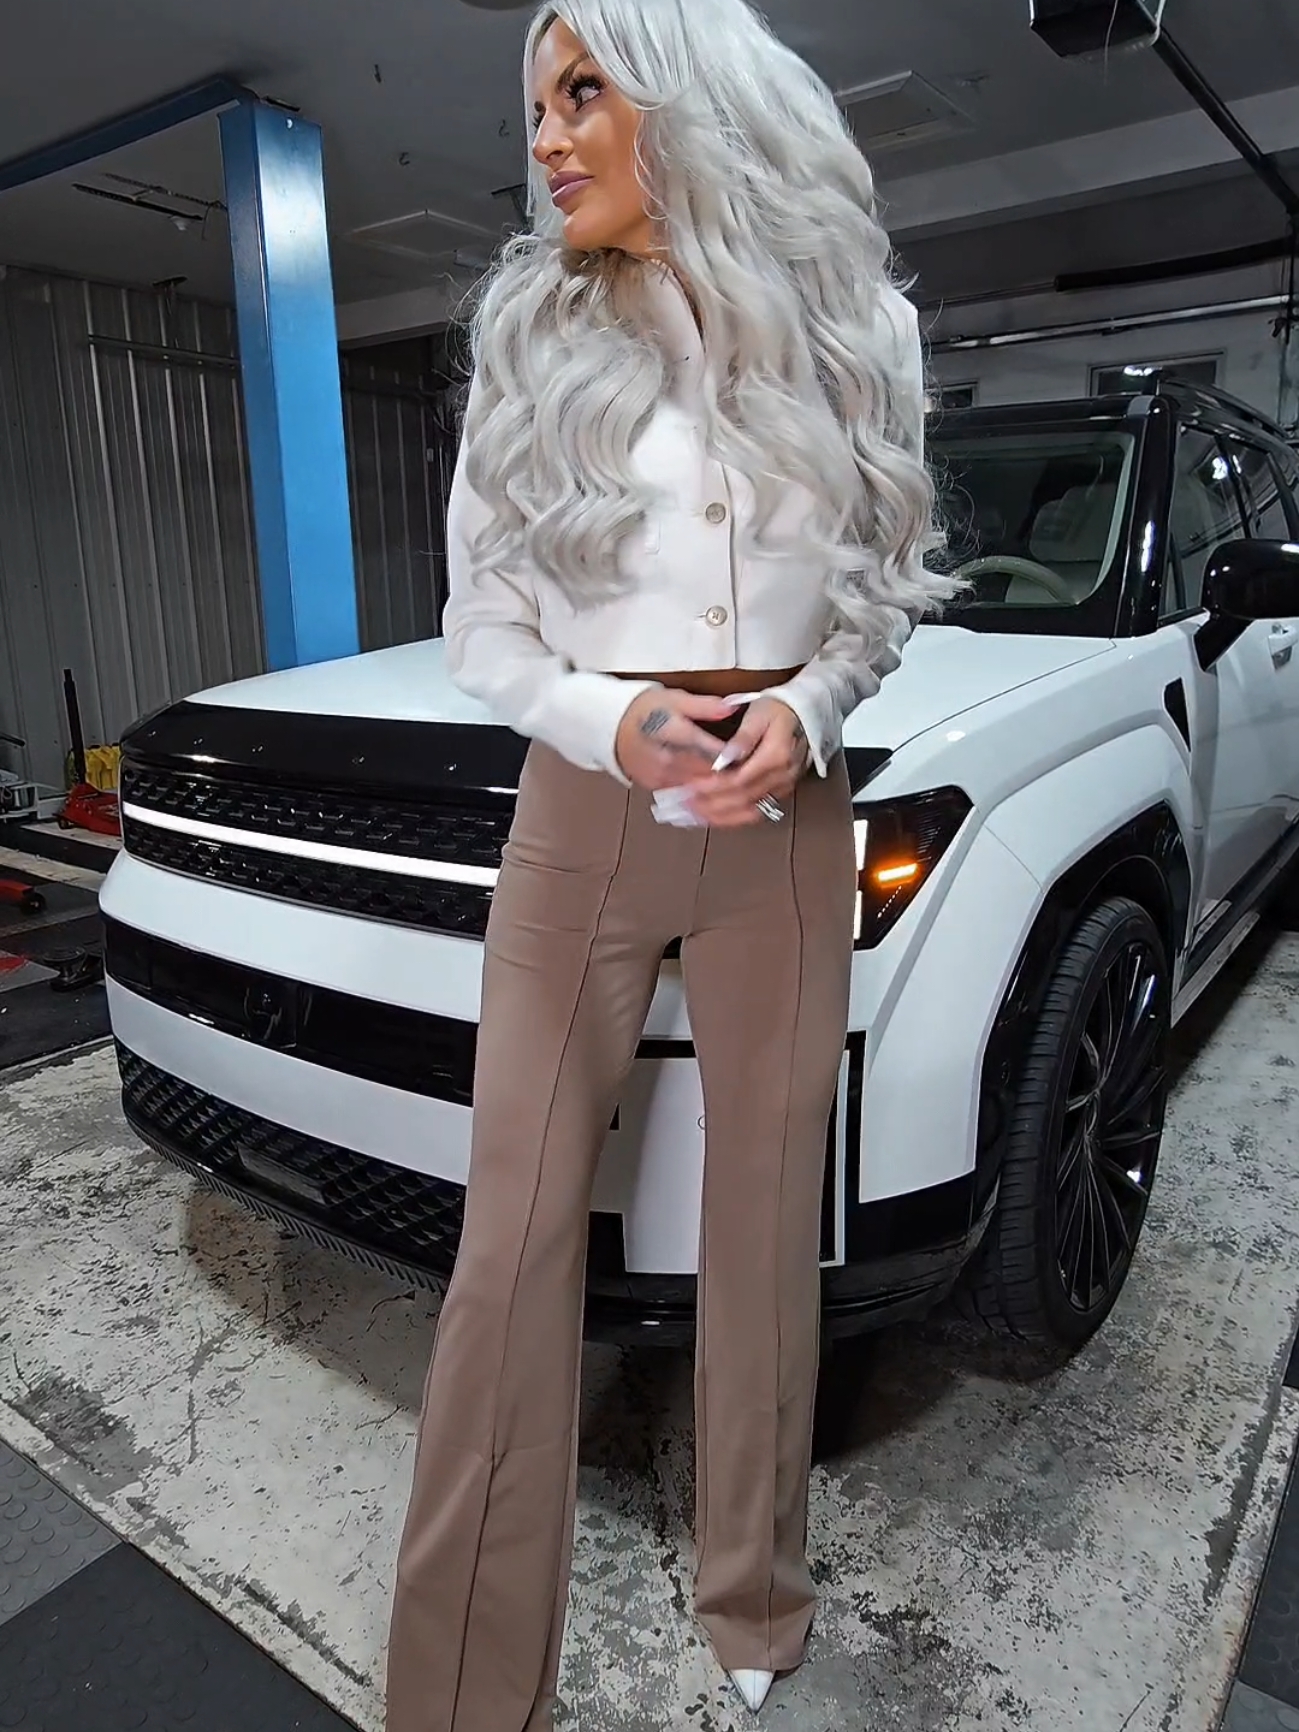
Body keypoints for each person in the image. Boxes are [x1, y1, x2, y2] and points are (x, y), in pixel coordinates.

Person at [385, 1, 954, 1726]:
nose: (547, 136)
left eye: (582, 93)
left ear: (685, 101)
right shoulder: (526, 344)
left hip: (785, 812)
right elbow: (478, 628)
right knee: (514, 1245)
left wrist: (817, 706)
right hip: (587, 807)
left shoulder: (860, 332)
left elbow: (873, 603)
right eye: (534, 105)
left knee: (771, 1231)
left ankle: (755, 1606)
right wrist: (599, 717)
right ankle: (466, 1689)